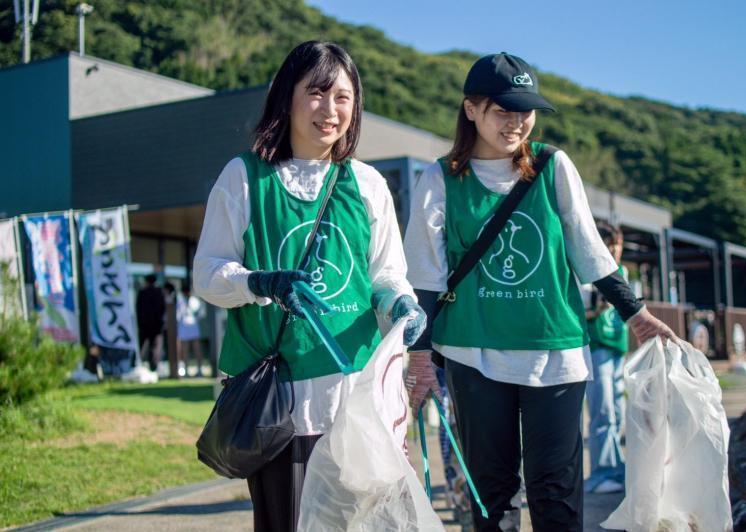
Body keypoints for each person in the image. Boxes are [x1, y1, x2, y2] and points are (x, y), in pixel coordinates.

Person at [403, 52, 677, 531]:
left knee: (555, 490)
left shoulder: (552, 165)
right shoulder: (441, 178)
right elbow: (424, 275)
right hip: (474, 353)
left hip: (555, 353)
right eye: (502, 110)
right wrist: (421, 358)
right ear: (471, 109)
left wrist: (637, 314)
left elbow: (588, 249)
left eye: (525, 111)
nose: (516, 123)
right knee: (491, 493)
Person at [193, 41, 424, 532]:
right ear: (287, 97)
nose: (331, 109)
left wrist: (399, 301)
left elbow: (385, 272)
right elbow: (207, 274)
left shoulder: (366, 183)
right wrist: (260, 281)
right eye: (317, 93)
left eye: (343, 97)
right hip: (280, 402)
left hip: (355, 392)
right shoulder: (244, 177)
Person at [584, 222, 628, 494]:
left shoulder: (620, 271)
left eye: (616, 247)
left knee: (618, 412)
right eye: (608, 246)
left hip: (617, 347)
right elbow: (580, 310)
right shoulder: (586, 270)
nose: (613, 252)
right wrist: (596, 310)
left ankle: (616, 468)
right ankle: (601, 473)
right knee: (603, 411)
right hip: (596, 345)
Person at [135, 273, 165, 371]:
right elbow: (162, 308)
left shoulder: (142, 292)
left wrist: (139, 322)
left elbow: (138, 309)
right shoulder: (159, 292)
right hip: (156, 325)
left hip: (144, 324)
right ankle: (153, 366)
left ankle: (136, 364)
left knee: (141, 344)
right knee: (154, 346)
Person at [177, 283, 206, 377]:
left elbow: (201, 314)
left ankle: (200, 370)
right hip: (184, 328)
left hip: (193, 327)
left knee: (197, 349)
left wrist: (194, 320)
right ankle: (186, 370)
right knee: (185, 350)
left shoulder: (195, 301)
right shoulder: (180, 302)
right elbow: (178, 316)